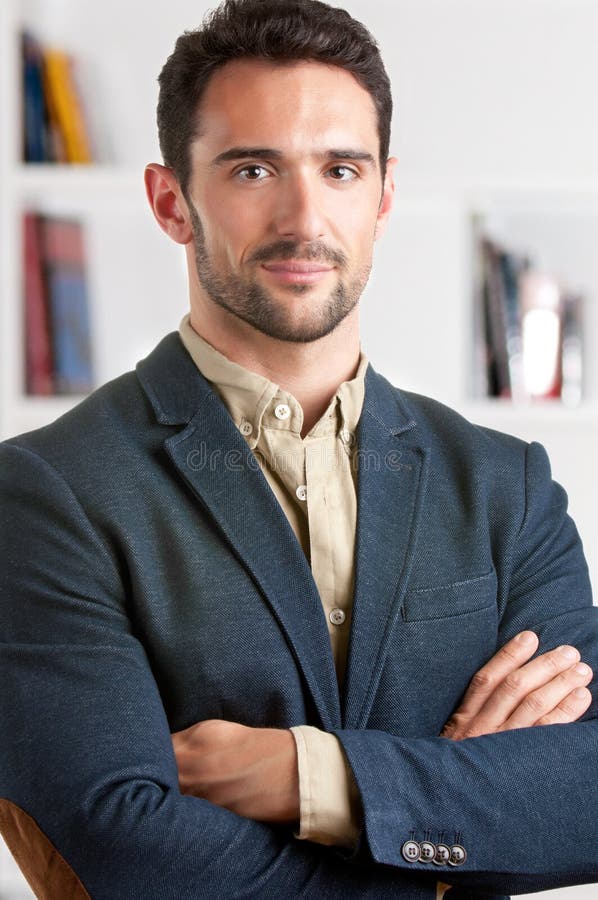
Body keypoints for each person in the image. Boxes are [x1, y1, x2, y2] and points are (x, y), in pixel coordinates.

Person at [1, 1, 597, 897]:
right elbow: (123, 845)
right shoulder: (48, 492)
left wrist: (307, 777)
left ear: (384, 196)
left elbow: (586, 794)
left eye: (342, 169)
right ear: (173, 201)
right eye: (252, 169)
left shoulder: (507, 484)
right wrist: (447, 831)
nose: (304, 215)